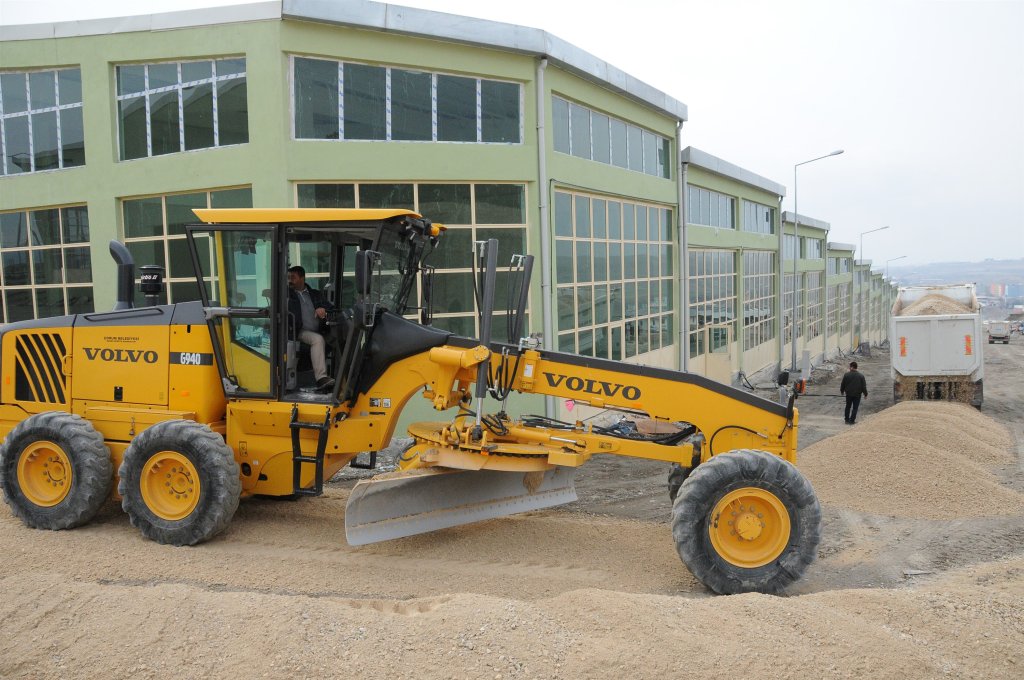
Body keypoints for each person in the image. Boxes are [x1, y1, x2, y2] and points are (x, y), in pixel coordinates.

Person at [287, 265, 334, 391]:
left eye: (293, 277)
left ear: (302, 278)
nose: (290, 280)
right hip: (297, 331)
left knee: (337, 338)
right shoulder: (288, 295)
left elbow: (331, 308)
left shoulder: (315, 294)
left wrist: (323, 310)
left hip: (318, 329)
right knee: (317, 339)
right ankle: (321, 378)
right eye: (288, 278)